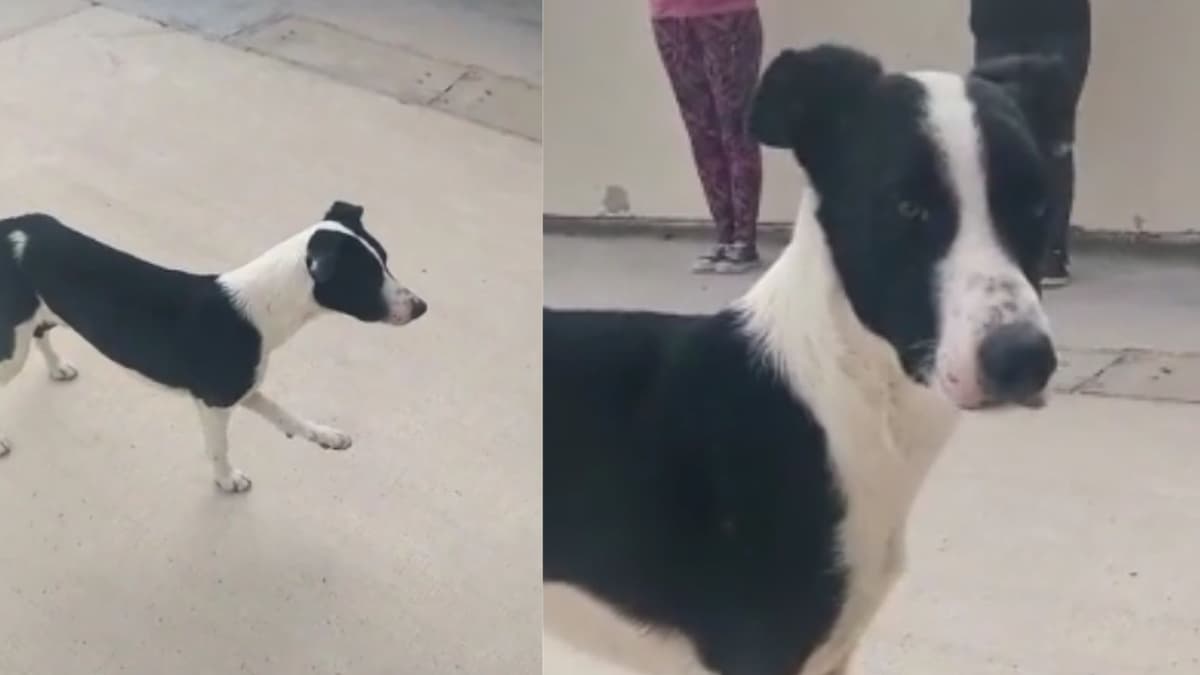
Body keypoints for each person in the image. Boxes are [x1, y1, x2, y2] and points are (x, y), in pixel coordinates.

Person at [971, 0, 1091, 288]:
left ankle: (1051, 252)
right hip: (996, 22)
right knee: (999, 136)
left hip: (1060, 22)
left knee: (1053, 139)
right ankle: (1003, 245)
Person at [651, 0, 764, 274]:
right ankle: (724, 237)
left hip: (727, 14)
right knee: (701, 132)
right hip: (668, 17)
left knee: (736, 129)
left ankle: (744, 242)